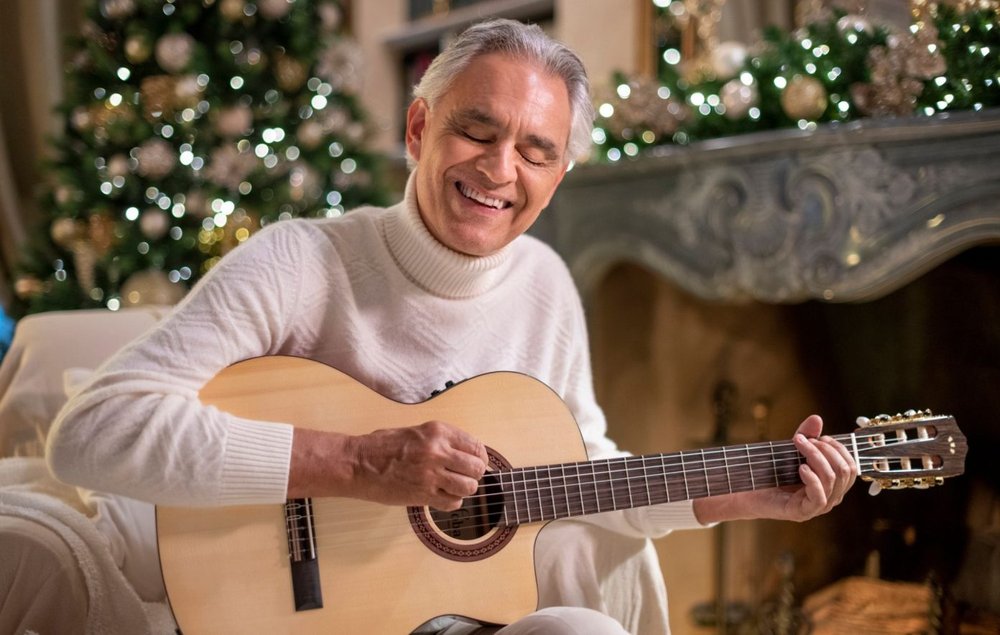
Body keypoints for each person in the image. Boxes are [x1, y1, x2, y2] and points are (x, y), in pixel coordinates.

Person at [42, 18, 857, 634]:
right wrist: (356, 461)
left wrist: (727, 497)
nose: (501, 170)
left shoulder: (547, 284)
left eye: (537, 151)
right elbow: (92, 432)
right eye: (478, 130)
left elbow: (580, 468)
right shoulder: (300, 261)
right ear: (419, 129)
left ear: (560, 176)